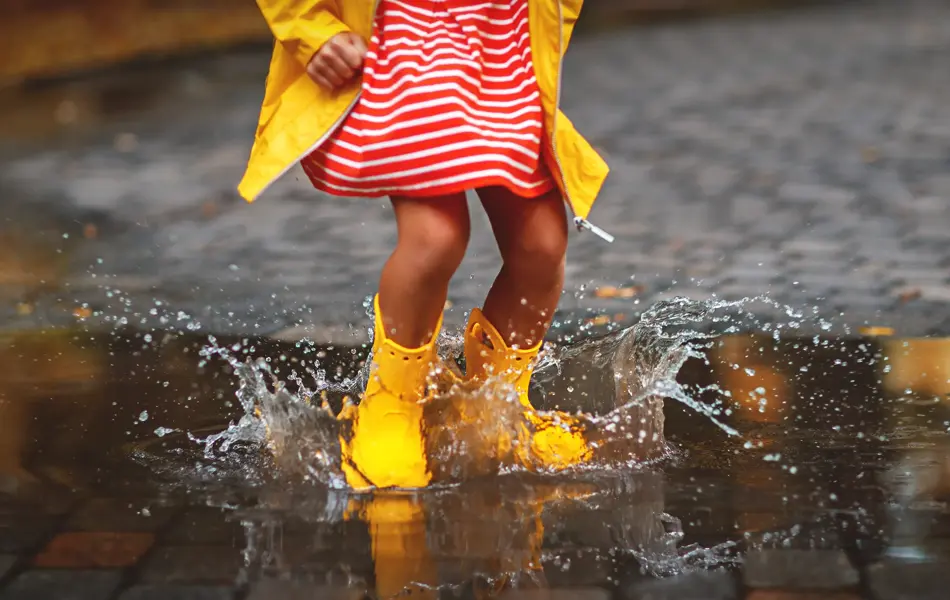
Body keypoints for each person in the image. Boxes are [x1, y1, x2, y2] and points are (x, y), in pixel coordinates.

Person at [239, 0, 611, 490]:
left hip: (500, 48)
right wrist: (310, 28)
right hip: (405, 48)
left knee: (541, 244)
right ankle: (391, 405)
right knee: (436, 237)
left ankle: (496, 405)